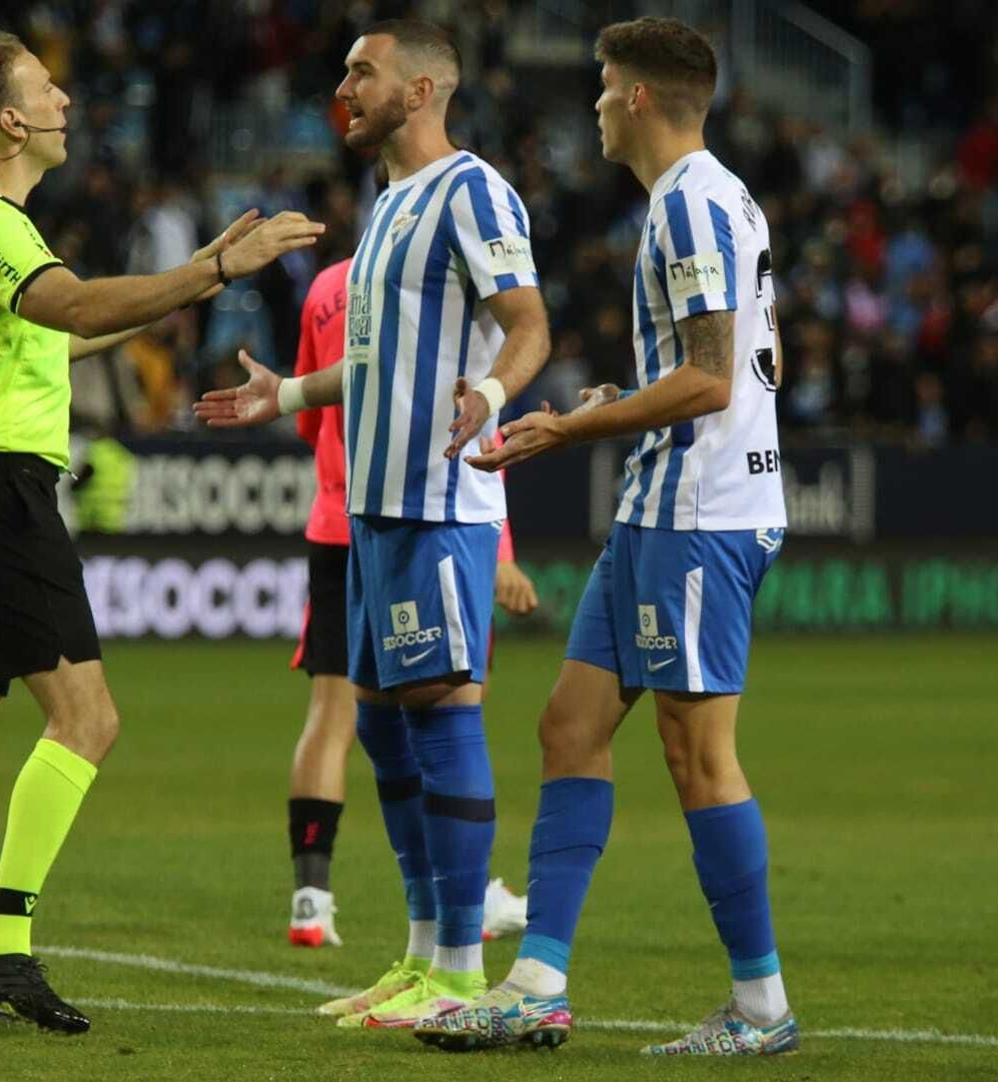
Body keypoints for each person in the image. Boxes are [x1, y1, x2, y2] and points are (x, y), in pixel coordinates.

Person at [0, 30, 322, 1030]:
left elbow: (75, 327)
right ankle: (1, 941)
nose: (66, 100)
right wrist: (212, 264)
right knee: (87, 720)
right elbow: (74, 305)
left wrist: (201, 283)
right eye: (47, 89)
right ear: (9, 120)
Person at [414, 17, 798, 1056]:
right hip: (658, 503)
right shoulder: (707, 199)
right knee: (569, 727)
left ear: (636, 96)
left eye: (600, 84)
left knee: (696, 752)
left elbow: (714, 378)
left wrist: (570, 424)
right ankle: (536, 979)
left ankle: (760, 1005)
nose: (589, 102)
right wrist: (619, 404)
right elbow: (710, 371)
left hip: (700, 512)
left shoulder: (690, 203)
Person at [196, 20, 551, 1030]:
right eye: (345, 69)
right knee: (386, 724)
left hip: (442, 500)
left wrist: (486, 391)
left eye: (366, 71)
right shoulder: (388, 206)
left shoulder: (473, 189)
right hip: (374, 507)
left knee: (439, 711)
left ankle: (460, 975)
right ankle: (419, 952)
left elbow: (530, 323)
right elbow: (378, 363)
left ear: (426, 85)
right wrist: (287, 392)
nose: (344, 85)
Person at [285, 257, 535, 949]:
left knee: (336, 716)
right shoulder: (447, 281)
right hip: (420, 518)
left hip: (338, 517)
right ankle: (462, 906)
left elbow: (314, 418)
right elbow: (464, 411)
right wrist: (504, 548)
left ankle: (312, 897)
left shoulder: (327, 288)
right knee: (449, 712)